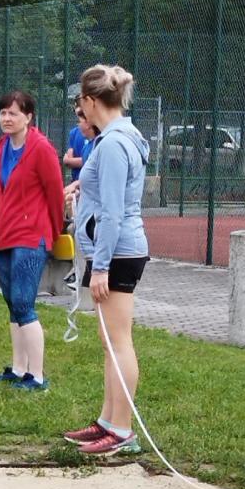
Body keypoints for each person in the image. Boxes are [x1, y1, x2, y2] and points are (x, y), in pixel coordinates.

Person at [62, 64, 151, 458]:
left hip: (117, 252)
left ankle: (122, 429)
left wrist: (100, 267)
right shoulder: (114, 138)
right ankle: (107, 421)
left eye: (80, 102)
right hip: (109, 249)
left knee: (119, 340)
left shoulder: (114, 143)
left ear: (91, 100)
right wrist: (84, 189)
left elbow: (114, 212)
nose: (79, 109)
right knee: (109, 341)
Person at [0, 90, 65, 392]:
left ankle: (37, 375)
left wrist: (52, 233)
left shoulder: (42, 148)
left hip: (31, 235)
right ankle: (18, 369)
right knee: (11, 303)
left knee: (23, 302)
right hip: (3, 233)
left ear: (28, 117)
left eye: (13, 113)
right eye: (3, 113)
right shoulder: (2, 145)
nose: (6, 118)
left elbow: (55, 195)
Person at [63, 98, 94, 183]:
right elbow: (68, 161)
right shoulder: (74, 132)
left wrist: (71, 161)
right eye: (76, 105)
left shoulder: (99, 136)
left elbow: (91, 162)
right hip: (75, 181)